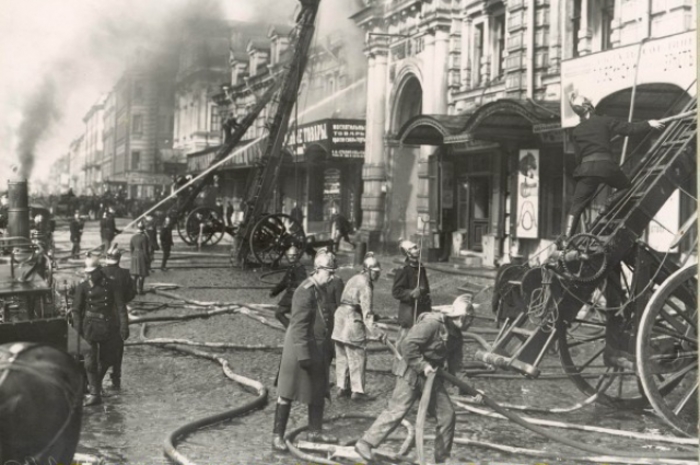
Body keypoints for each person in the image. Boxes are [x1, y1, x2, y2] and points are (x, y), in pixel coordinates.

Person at [354, 295, 476, 464]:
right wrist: (422, 365)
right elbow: (407, 345)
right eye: (471, 319)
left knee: (447, 414)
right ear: (462, 317)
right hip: (411, 372)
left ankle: (442, 458)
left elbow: (457, 368)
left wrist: (471, 390)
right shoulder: (432, 324)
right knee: (397, 410)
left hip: (431, 378)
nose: (472, 323)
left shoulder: (457, 336)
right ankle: (365, 443)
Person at [563, 92, 664, 241]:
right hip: (607, 168)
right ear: (591, 107)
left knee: (576, 207)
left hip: (586, 170)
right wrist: (648, 123)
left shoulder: (577, 131)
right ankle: (608, 205)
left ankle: (565, 240)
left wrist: (585, 173)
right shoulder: (604, 121)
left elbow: (578, 157)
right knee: (626, 187)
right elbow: (628, 129)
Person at [271, 250, 339, 451]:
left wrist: (329, 347)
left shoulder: (322, 288)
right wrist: (303, 355)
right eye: (330, 272)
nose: (333, 276)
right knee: (287, 392)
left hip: (318, 348)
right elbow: (299, 326)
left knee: (318, 390)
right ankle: (277, 436)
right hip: (299, 352)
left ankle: (315, 432)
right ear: (318, 269)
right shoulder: (305, 290)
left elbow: (327, 318)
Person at [72, 255, 129, 406]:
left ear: (99, 270)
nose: (89, 275)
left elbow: (121, 307)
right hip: (89, 326)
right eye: (88, 272)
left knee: (108, 359)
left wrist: (124, 326)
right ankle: (94, 395)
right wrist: (77, 331)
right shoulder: (82, 287)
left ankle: (94, 385)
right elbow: (76, 310)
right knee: (89, 362)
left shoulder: (112, 285)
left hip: (108, 326)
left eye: (92, 272)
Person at [331, 252, 387, 401]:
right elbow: (367, 315)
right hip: (351, 321)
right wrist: (378, 332)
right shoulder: (366, 285)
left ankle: (342, 387)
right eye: (375, 272)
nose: (377, 275)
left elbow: (351, 301)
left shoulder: (354, 278)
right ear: (368, 270)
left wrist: (373, 314)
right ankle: (358, 392)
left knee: (342, 356)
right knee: (357, 356)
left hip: (339, 318)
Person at [101, 245, 136, 390]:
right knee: (118, 348)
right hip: (118, 315)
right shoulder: (125, 274)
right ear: (119, 259)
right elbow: (132, 293)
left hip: (101, 315)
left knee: (101, 347)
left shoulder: (99, 273)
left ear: (107, 258)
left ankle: (97, 380)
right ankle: (116, 377)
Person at [392, 240, 431, 343]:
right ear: (407, 252)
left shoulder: (420, 267)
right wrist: (410, 293)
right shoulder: (403, 269)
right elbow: (396, 291)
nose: (417, 250)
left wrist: (421, 290)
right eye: (413, 248)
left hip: (422, 310)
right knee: (405, 341)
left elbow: (426, 287)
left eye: (416, 247)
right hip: (409, 312)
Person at [269, 246, 307, 328]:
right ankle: (294, 329)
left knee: (279, 313)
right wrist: (275, 291)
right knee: (292, 315)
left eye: (294, 256)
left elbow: (302, 283)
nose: (291, 257)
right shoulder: (292, 266)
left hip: (294, 296)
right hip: (290, 295)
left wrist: (295, 285)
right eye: (290, 255)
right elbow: (285, 281)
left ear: (297, 256)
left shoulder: (299, 268)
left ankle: (291, 330)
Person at [130, 222, 151, 295]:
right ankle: (140, 290)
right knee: (141, 274)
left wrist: (133, 255)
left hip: (134, 255)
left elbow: (131, 248)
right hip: (141, 255)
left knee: (134, 274)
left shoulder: (133, 237)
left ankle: (133, 289)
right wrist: (147, 259)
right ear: (143, 228)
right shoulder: (144, 237)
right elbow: (145, 250)